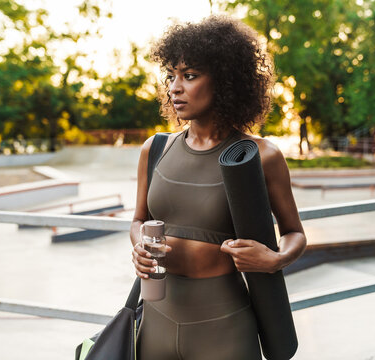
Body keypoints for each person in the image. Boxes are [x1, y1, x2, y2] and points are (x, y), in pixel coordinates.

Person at [130, 15, 306, 360]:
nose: (174, 87)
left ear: (225, 81)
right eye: (171, 76)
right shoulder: (154, 149)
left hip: (223, 326)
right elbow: (138, 220)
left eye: (190, 75)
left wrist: (275, 259)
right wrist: (138, 247)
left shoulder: (260, 155)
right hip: (155, 320)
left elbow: (294, 232)